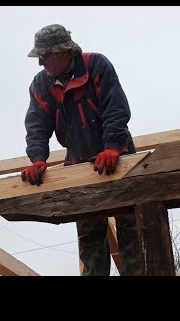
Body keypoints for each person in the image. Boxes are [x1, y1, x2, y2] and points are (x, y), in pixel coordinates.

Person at [21, 24, 143, 276]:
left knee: (132, 231)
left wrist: (112, 147)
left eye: (44, 57)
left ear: (62, 52)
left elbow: (115, 109)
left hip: (118, 159)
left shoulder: (97, 66)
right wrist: (37, 158)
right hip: (79, 164)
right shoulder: (41, 84)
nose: (41, 63)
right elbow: (36, 125)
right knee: (89, 239)